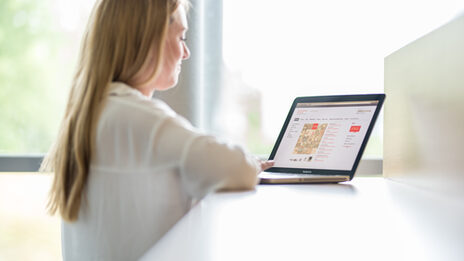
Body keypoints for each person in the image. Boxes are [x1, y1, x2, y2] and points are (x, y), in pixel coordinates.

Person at [40, 0, 274, 260]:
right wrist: (251, 162)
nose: (186, 52)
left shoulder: (91, 113)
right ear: (149, 38)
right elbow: (237, 168)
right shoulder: (137, 117)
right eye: (181, 37)